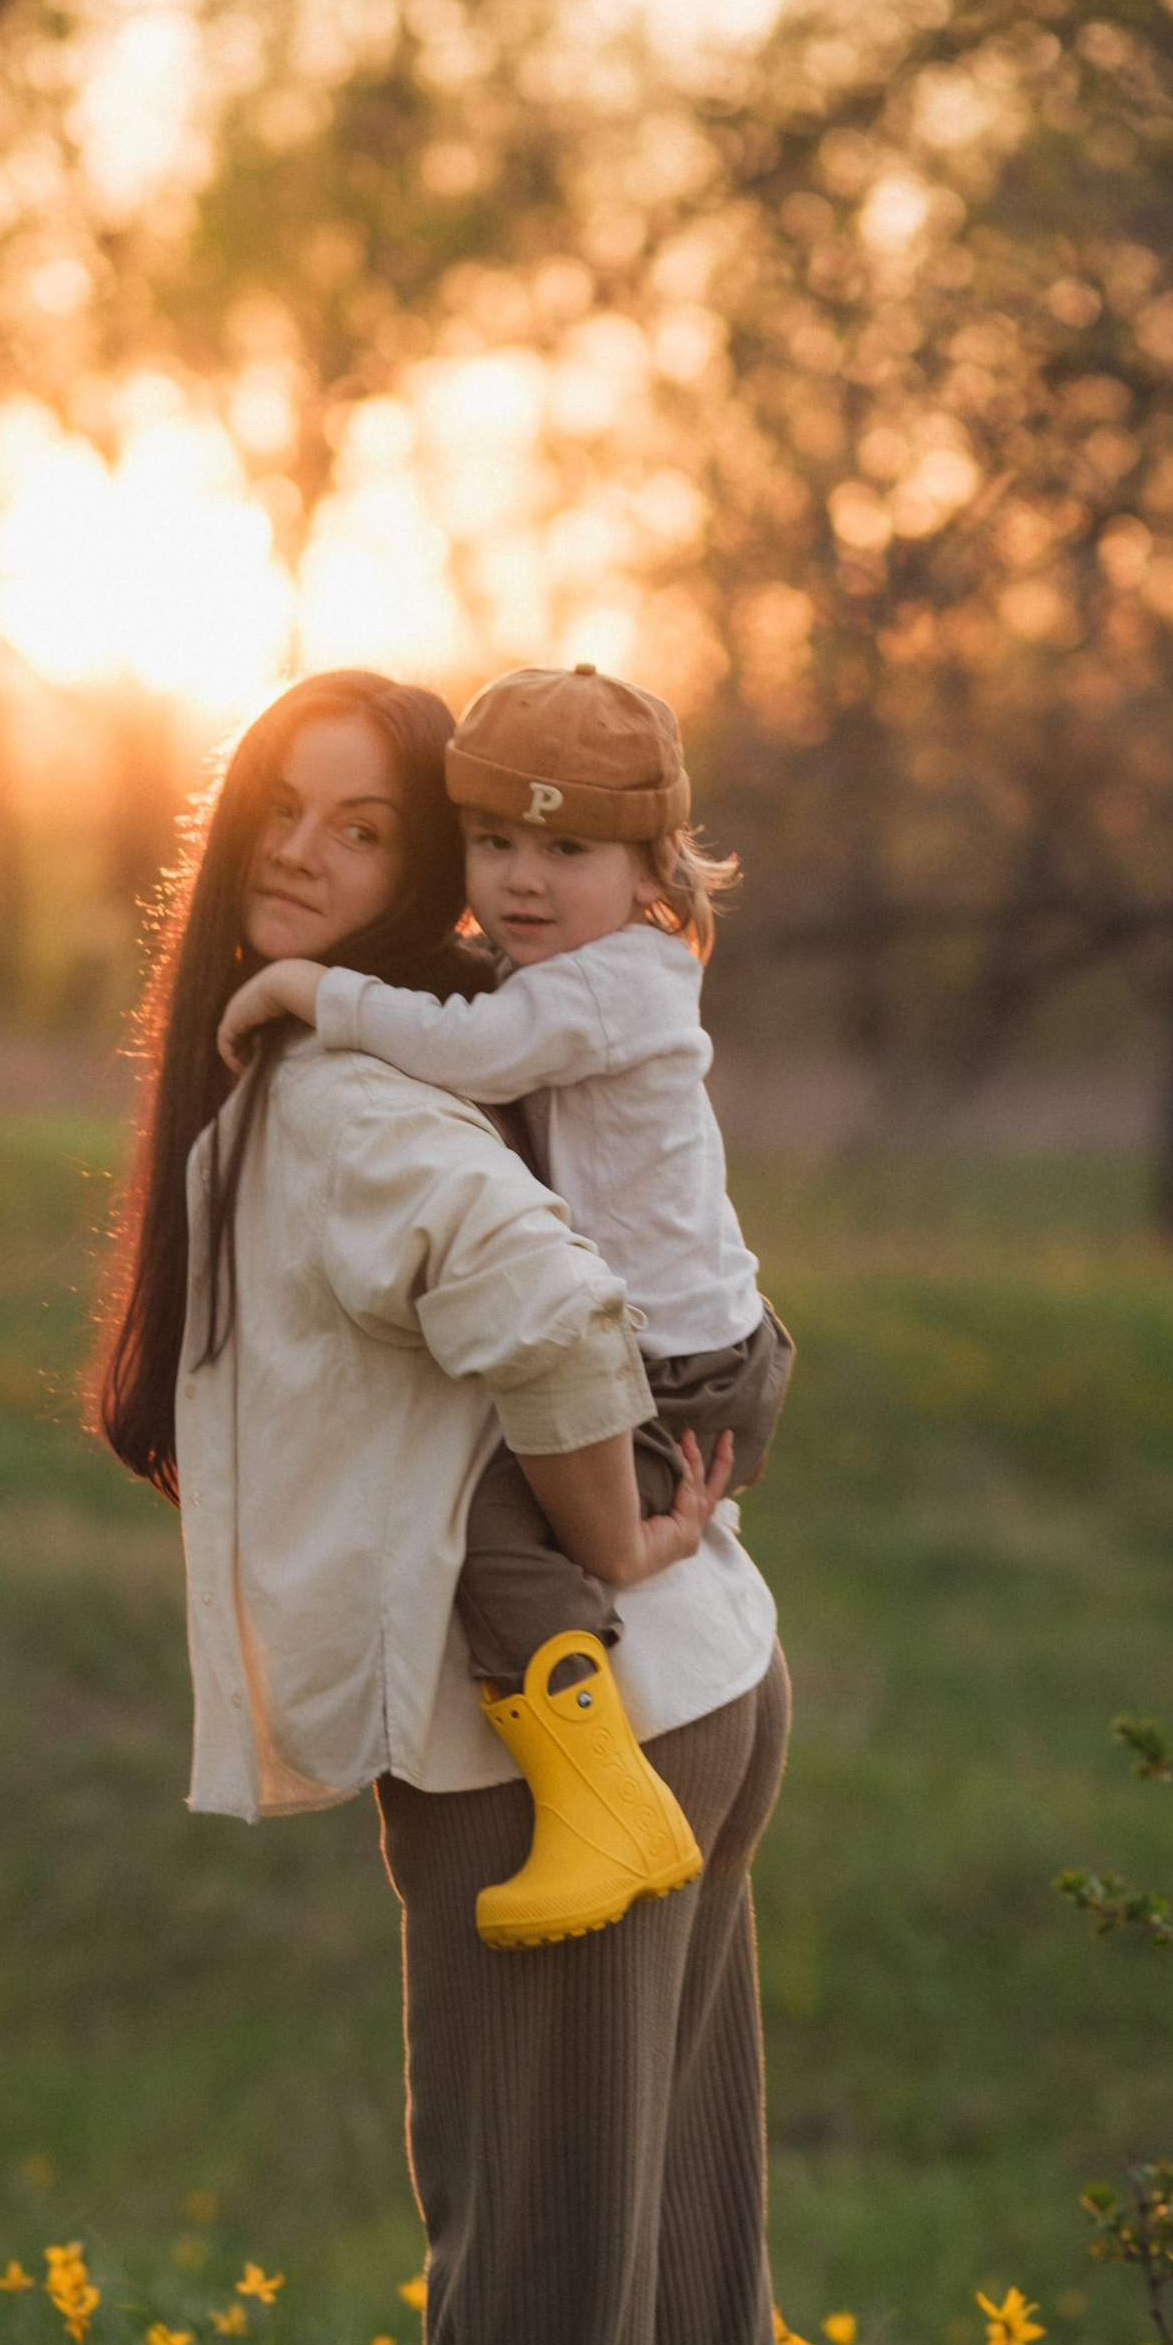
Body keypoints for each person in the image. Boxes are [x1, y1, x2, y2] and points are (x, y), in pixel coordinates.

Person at [91, 668, 794, 2345]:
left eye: (359, 828)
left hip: (559, 1747)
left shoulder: (343, 1085)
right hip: (694, 1689)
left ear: (431, 882)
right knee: (664, 2257)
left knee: (540, 2273)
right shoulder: (425, 1064)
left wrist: (605, 1525)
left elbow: (554, 1311)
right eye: (271, 810)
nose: (300, 856)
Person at [214, 661, 791, 1954]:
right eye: (491, 843)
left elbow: (476, 1056)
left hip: (683, 1363)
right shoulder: (584, 962)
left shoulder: (613, 981)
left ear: (652, 864)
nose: (520, 882)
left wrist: (312, 991)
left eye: (567, 846)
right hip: (699, 1348)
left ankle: (603, 1803)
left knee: (490, 1523)